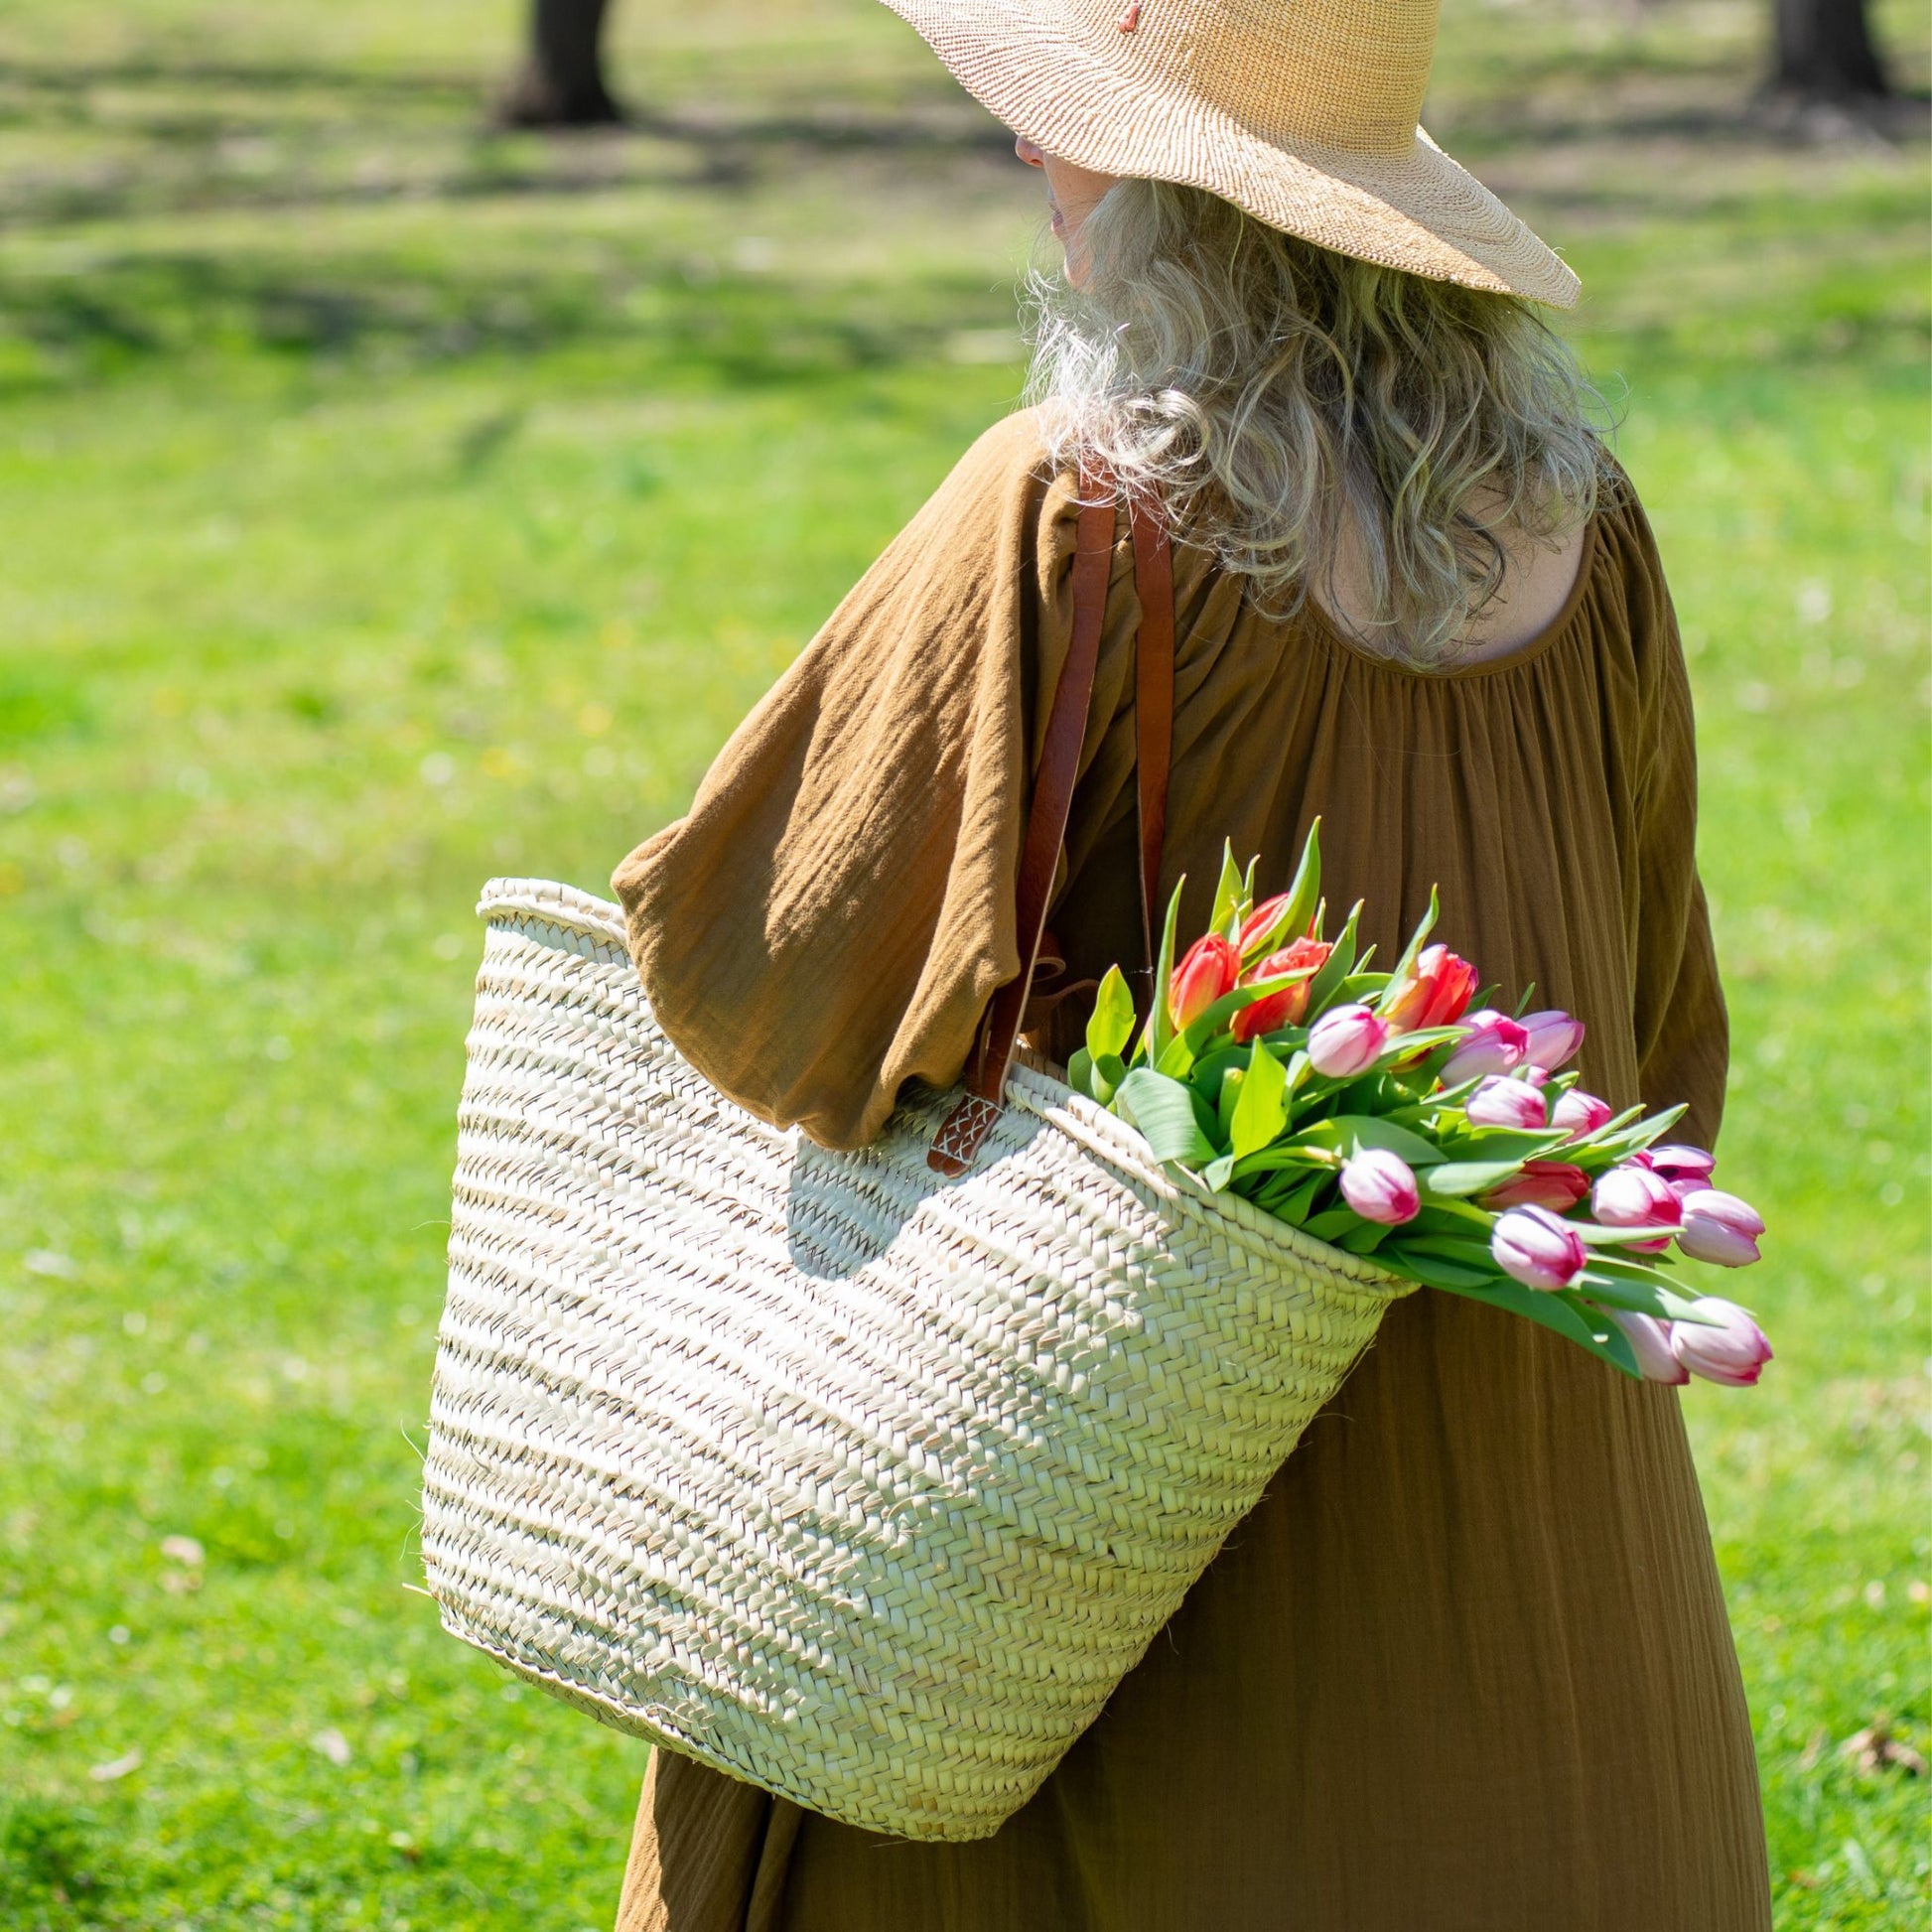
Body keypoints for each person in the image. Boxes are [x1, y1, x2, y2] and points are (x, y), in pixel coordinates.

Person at [607, 1, 1771, 1925]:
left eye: (1061, 122)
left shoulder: (1070, 505)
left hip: (1105, 1478)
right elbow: (1650, 1032)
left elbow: (772, 983)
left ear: (1174, 204)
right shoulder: (1587, 523)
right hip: (1521, 1458)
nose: (1020, 153)